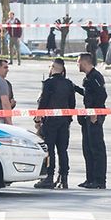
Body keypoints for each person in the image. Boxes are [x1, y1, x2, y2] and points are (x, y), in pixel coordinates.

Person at [34, 58, 77, 189]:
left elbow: (44, 101)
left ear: (53, 68)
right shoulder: (69, 84)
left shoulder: (48, 83)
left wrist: (38, 118)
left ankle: (49, 177)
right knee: (63, 150)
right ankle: (64, 178)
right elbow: (72, 104)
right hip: (64, 121)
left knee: (49, 149)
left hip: (51, 121)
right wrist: (69, 118)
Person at [72, 52, 108, 188]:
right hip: (87, 116)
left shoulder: (95, 76)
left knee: (97, 148)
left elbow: (102, 95)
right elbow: (89, 94)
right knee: (87, 148)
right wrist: (76, 88)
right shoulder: (88, 78)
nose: (77, 65)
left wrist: (95, 113)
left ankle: (99, 181)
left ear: (84, 62)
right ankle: (90, 179)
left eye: (77, 62)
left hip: (95, 116)